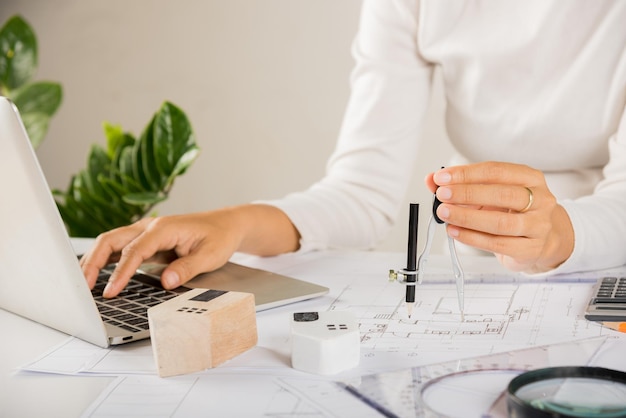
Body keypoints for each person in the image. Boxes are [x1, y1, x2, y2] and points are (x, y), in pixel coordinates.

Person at [81, 0, 626, 298]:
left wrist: (554, 233)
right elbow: (362, 194)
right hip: (478, 274)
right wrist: (236, 224)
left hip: (610, 273)